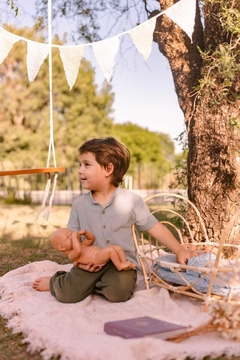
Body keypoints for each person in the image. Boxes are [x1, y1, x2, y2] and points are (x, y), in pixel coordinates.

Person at [33, 137, 196, 303]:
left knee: (118, 293)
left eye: (87, 165)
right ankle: (57, 281)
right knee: (67, 294)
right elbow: (72, 238)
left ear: (108, 169)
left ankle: (94, 285)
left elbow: (154, 227)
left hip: (121, 263)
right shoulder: (79, 204)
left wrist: (179, 250)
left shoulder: (132, 201)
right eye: (80, 164)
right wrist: (78, 262)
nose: (80, 170)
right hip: (88, 261)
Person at [50, 227, 136, 270]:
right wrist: (74, 237)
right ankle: (119, 266)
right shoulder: (71, 255)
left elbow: (91, 239)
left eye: (71, 233)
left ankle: (124, 264)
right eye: (68, 237)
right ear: (61, 248)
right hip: (95, 259)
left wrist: (86, 233)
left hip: (99, 253)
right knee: (110, 250)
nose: (72, 236)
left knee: (118, 248)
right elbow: (78, 250)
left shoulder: (82, 245)